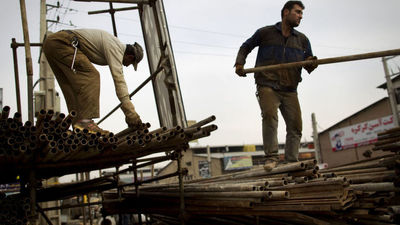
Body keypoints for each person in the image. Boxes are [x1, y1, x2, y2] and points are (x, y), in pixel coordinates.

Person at [234, 1, 318, 170]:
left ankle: (291, 161)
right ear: (286, 12)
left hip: (290, 89)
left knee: (295, 126)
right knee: (270, 117)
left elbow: (308, 62)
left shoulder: (302, 40)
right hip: (267, 84)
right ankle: (271, 158)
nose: (300, 16)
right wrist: (239, 64)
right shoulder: (265, 33)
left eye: (302, 13)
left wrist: (311, 63)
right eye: (298, 12)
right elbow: (246, 46)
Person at [43, 29, 144, 135]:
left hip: (52, 44)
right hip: (64, 43)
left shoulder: (112, 45)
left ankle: (78, 125)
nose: (127, 65)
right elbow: (119, 79)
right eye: (130, 63)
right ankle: (85, 123)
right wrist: (130, 112)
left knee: (72, 86)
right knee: (92, 76)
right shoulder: (117, 48)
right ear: (130, 57)